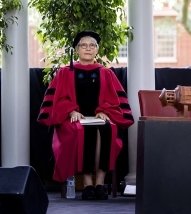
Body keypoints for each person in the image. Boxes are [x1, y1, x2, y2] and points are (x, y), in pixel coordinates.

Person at [37, 31, 134, 200]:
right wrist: (71, 110)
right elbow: (58, 99)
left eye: (92, 45)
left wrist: (105, 111)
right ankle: (88, 183)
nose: (88, 48)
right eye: (84, 45)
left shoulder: (106, 73)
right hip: (74, 119)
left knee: (107, 129)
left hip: (100, 117)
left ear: (97, 50)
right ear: (76, 49)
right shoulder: (64, 72)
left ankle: (100, 184)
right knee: (84, 132)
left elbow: (116, 100)